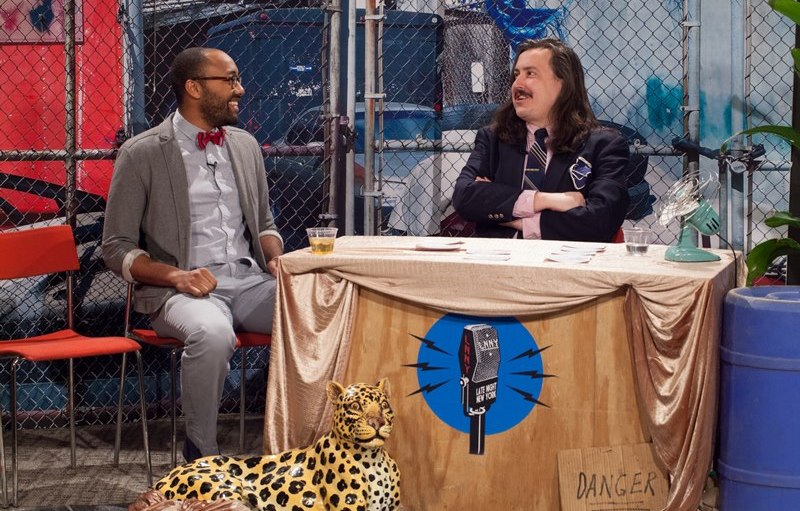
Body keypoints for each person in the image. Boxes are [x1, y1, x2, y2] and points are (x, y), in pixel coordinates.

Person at [102, 47, 283, 462]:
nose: (240, 89)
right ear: (194, 88)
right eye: (230, 80)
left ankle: (303, 439)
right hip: (181, 293)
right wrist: (177, 277)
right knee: (213, 333)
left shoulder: (245, 146)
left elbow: (264, 224)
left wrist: (275, 259)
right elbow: (116, 247)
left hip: (251, 283)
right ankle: (202, 454)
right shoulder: (143, 152)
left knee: (317, 313)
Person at [452, 38, 630, 242]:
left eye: (530, 74)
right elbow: (465, 198)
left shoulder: (602, 145)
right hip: (498, 257)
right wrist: (548, 200)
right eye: (516, 75)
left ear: (563, 84)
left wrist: (515, 219)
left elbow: (601, 220)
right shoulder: (493, 139)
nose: (517, 84)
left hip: (564, 259)